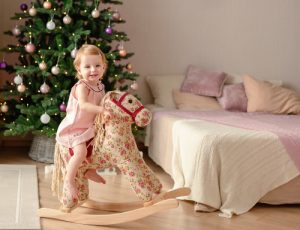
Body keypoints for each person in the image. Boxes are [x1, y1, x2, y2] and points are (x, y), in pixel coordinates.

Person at [56, 44, 107, 203]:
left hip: (90, 127)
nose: (93, 69)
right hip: (75, 128)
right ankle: (69, 181)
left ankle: (91, 170)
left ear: (103, 67)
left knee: (102, 148)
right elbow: (84, 105)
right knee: (80, 152)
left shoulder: (100, 86)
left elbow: (103, 101)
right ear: (79, 69)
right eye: (87, 66)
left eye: (97, 65)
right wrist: (102, 110)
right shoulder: (81, 87)